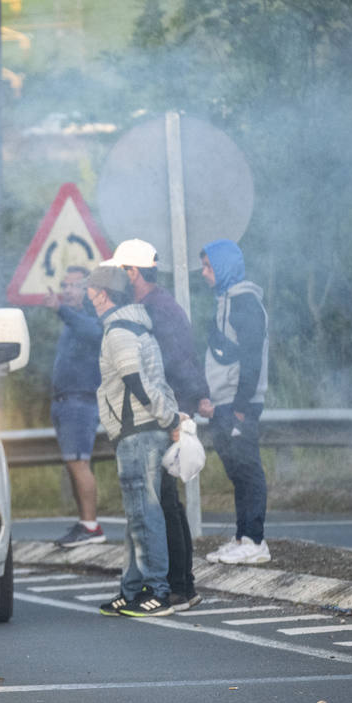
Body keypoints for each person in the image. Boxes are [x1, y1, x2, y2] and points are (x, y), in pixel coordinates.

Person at [115, 239, 212, 609]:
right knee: (166, 501)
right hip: (166, 408)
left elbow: (175, 360)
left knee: (166, 503)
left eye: (122, 271)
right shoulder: (150, 305)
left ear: (133, 272)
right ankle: (180, 583)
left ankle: (180, 586)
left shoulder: (157, 308)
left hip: (167, 411)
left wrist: (182, 410)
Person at [85, 266, 183, 619]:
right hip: (142, 431)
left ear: (103, 293)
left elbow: (136, 381)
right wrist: (170, 416)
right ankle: (130, 591)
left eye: (91, 289)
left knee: (146, 513)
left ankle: (156, 590)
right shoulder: (135, 325)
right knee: (137, 515)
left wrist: (169, 418)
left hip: (138, 433)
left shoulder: (119, 331)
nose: (87, 296)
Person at [200, 239, 270, 565]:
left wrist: (241, 405)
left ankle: (255, 541)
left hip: (240, 403)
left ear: (225, 268)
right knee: (237, 471)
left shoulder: (244, 303)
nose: (204, 273)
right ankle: (242, 536)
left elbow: (251, 359)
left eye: (208, 267)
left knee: (248, 469)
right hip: (225, 402)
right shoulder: (225, 300)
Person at [45, 264, 106, 547]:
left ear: (88, 289)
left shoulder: (90, 317)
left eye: (73, 286)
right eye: (64, 285)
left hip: (80, 401)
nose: (67, 291)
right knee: (73, 462)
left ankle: (91, 526)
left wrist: (60, 310)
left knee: (80, 462)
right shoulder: (71, 321)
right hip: (66, 401)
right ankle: (84, 522)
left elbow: (94, 333)